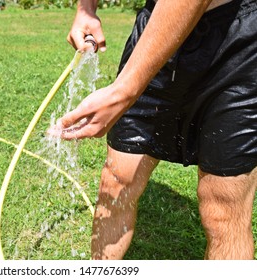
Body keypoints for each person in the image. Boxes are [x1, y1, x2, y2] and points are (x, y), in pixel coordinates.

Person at [48, 0, 257, 260]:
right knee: (116, 181)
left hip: (238, 44)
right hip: (155, 27)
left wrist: (123, 92)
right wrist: (86, 9)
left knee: (223, 209)